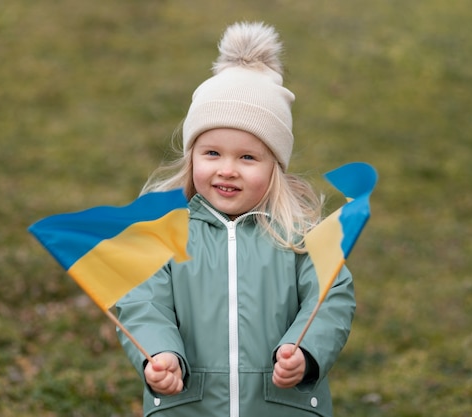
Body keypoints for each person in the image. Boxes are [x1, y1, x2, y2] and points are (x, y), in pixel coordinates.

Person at [116, 21, 355, 417]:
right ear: (191, 156)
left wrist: (305, 349)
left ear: (274, 165)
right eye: (212, 153)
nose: (227, 169)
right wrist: (159, 353)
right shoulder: (164, 233)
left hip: (280, 406)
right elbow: (142, 301)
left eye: (247, 157)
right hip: (190, 406)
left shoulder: (300, 234)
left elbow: (330, 297)